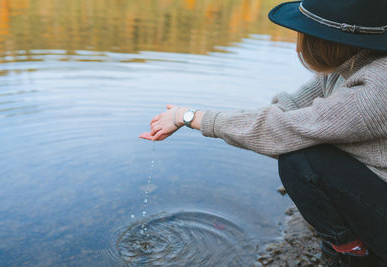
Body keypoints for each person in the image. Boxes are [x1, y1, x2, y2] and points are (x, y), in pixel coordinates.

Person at [140, 0, 387, 266]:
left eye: (304, 32)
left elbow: (283, 128)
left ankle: (355, 256)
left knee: (301, 160)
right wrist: (239, 128)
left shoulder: (375, 88)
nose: (299, 40)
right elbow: (287, 107)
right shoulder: (350, 64)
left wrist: (190, 117)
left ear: (326, 41)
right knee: (300, 151)